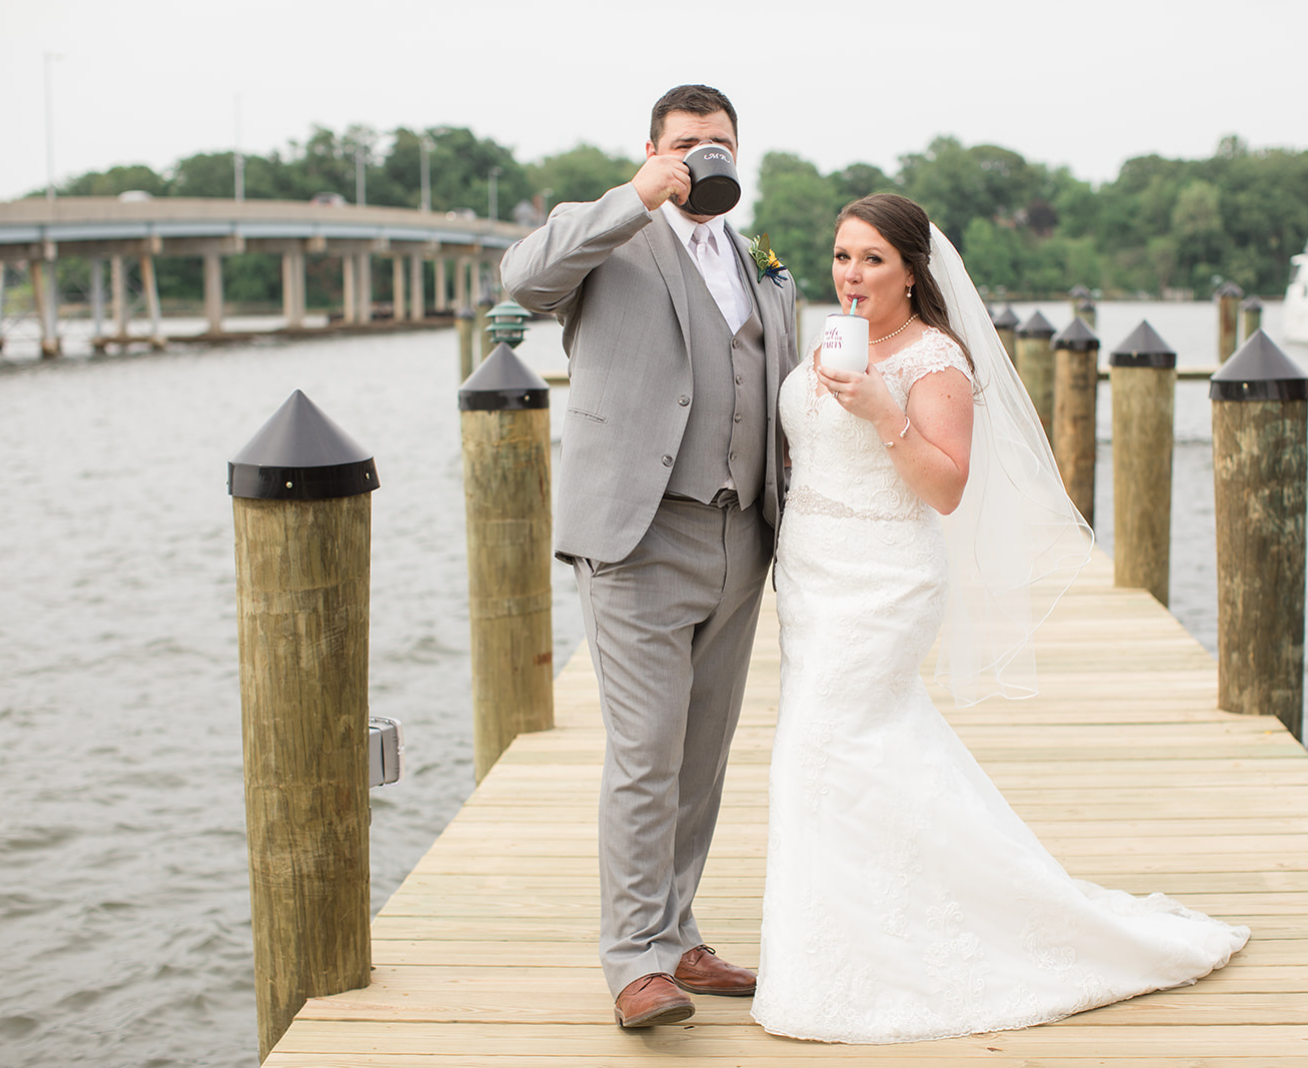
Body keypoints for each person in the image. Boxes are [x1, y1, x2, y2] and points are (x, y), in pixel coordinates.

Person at [751, 194, 1249, 1043]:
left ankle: (855, 963)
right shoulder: (834, 342)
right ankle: (856, 937)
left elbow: (946, 486)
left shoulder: (935, 361)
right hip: (811, 581)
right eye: (842, 256)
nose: (852, 274)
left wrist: (881, 408)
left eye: (872, 259)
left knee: (818, 751)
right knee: (856, 756)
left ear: (912, 271)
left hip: (883, 585)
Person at [500, 85, 799, 1029]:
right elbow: (523, 279)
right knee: (645, 752)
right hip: (639, 533)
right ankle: (631, 957)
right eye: (685, 143)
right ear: (653, 148)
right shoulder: (602, 236)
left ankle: (677, 936)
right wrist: (637, 194)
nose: (702, 156)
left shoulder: (761, 262)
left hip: (740, 533)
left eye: (717, 144)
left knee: (702, 753)